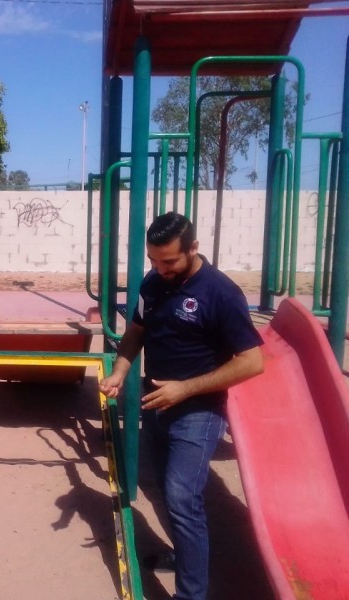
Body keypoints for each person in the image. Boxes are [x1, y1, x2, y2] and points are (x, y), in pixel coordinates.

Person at [99, 212, 263, 600]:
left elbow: (253, 362)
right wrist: (121, 370)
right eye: (154, 261)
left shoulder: (220, 293)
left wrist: (185, 389)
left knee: (180, 496)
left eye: (169, 261)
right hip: (157, 406)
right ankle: (186, 557)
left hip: (199, 412)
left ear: (193, 248)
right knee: (172, 497)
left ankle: (191, 594)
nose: (161, 269)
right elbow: (136, 332)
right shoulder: (153, 284)